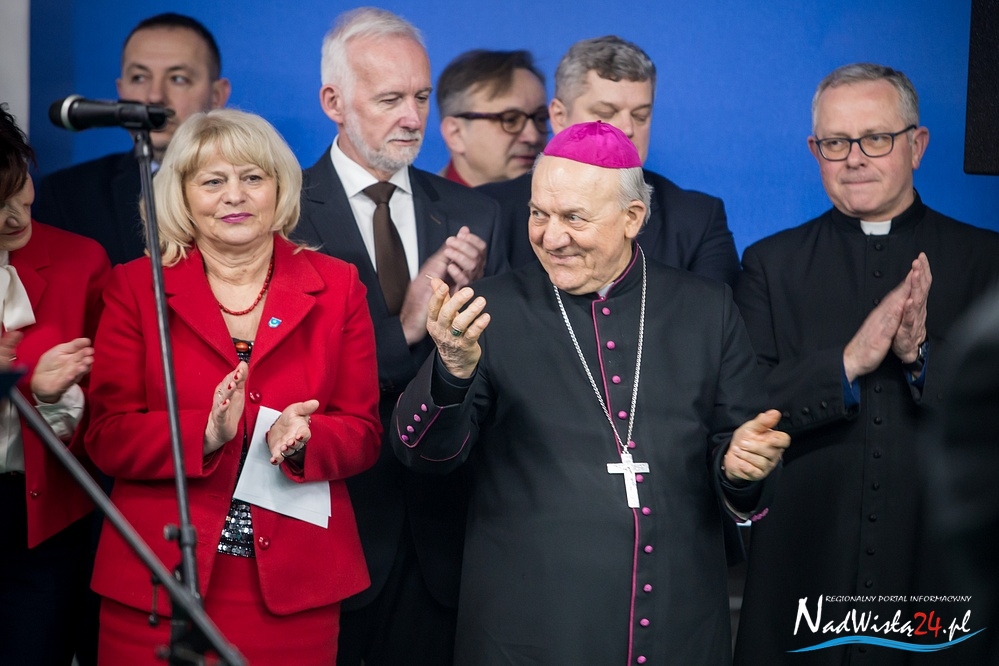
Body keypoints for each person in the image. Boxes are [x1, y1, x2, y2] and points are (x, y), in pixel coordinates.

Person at [390, 121, 789, 664]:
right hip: (531, 631)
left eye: (574, 218)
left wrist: (741, 469)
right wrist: (451, 372)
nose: (551, 237)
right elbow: (421, 454)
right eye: (539, 214)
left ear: (633, 218)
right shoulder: (489, 310)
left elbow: (743, 454)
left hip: (679, 624)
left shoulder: (706, 309)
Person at [84, 109, 381, 664]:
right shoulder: (135, 287)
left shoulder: (339, 286)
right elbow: (106, 434)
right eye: (213, 181)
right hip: (159, 582)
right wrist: (204, 433)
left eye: (252, 177)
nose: (234, 196)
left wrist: (309, 439)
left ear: (279, 187)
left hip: (295, 588)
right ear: (181, 194)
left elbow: (363, 431)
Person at [733, 63, 999, 665]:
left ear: (917, 145)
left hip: (935, 568)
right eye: (835, 142)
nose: (854, 158)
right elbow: (743, 404)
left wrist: (921, 355)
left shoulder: (986, 260)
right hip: (806, 565)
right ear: (815, 151)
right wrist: (848, 361)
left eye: (876, 138)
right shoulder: (771, 264)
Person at [293, 9, 505, 665]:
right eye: (390, 100)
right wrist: (409, 324)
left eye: (421, 96)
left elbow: (496, 374)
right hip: (333, 521)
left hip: (445, 530)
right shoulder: (283, 212)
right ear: (333, 102)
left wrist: (471, 318)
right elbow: (293, 375)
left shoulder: (475, 212)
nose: (413, 118)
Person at [477, 35, 739, 286]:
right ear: (559, 116)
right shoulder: (491, 210)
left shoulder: (697, 219)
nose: (627, 129)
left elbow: (712, 314)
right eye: (606, 113)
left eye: (640, 115)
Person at [0, 104, 111, 665]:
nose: (15, 216)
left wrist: (48, 397)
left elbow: (110, 416)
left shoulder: (79, 261)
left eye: (21, 190)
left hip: (39, 516)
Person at [34, 13, 231, 265]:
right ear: (121, 91)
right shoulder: (69, 194)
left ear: (216, 95)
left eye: (178, 79)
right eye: (139, 77)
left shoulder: (257, 190)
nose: (155, 96)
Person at [436, 49, 548, 187]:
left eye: (541, 119)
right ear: (456, 134)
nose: (533, 137)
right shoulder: (417, 201)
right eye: (510, 120)